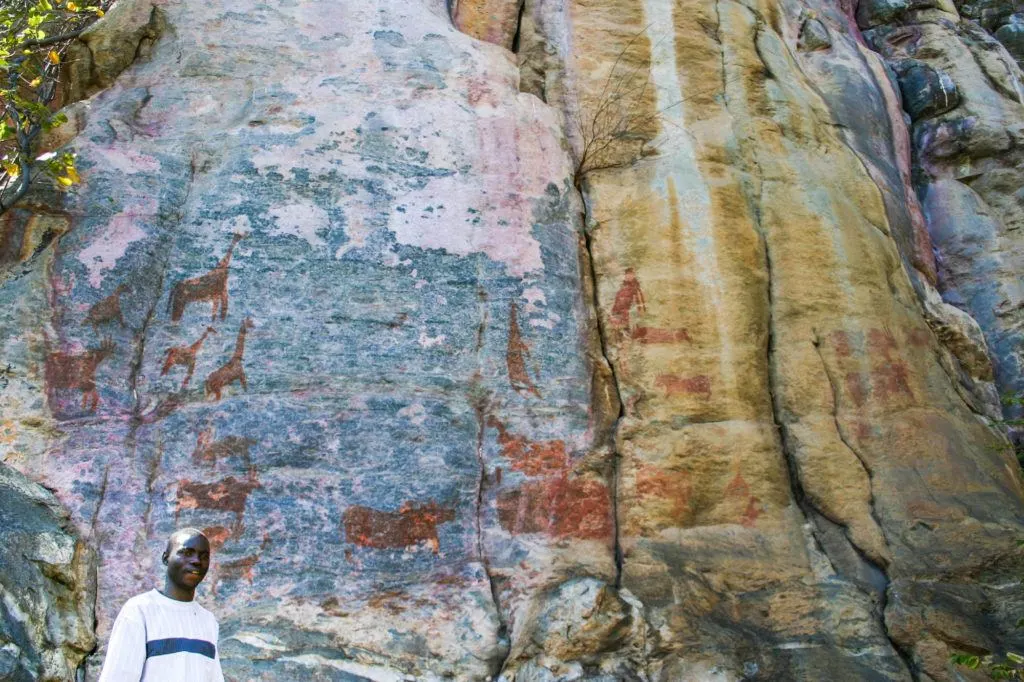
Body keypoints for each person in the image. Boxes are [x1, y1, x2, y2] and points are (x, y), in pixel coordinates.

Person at [98, 528, 225, 681]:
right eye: (187, 553)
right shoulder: (140, 611)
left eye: (204, 556)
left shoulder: (208, 621)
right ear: (166, 558)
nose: (196, 561)